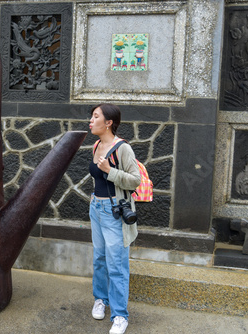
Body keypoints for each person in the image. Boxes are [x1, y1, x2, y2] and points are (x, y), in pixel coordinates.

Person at [88, 103, 141, 334]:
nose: (91, 120)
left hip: (114, 212)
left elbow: (135, 180)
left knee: (117, 263)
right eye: (92, 116)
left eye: (96, 116)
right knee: (99, 258)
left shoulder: (122, 149)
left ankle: (120, 315)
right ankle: (101, 299)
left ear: (109, 122)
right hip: (96, 208)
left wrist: (111, 171)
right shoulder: (97, 144)